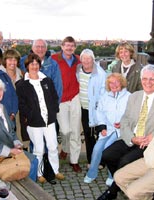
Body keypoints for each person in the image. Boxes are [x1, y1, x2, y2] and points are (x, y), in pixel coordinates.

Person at [97, 64, 154, 200]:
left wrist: (152, 136)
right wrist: (131, 138)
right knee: (107, 155)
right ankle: (126, 184)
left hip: (149, 142)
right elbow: (125, 120)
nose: (148, 82)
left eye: (152, 79)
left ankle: (112, 191)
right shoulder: (135, 96)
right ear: (141, 80)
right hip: (131, 138)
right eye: (145, 78)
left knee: (125, 161)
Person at [16, 53, 64, 183]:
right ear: (27, 66)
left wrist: (54, 111)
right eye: (31, 63)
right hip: (34, 122)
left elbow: (54, 97)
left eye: (37, 63)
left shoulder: (46, 80)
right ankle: (39, 173)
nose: (34, 66)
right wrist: (31, 115)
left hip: (49, 121)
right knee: (38, 148)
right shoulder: (21, 85)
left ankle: (55, 170)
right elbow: (21, 104)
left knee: (53, 146)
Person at [0, 76, 37, 181]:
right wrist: (9, 151)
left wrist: (16, 142)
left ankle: (28, 188)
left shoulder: (1, 107)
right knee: (32, 162)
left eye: (0, 90)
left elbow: (11, 130)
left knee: (34, 160)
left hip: (8, 150)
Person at [84, 73, 131, 184]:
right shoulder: (105, 97)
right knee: (96, 149)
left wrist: (122, 123)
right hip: (108, 129)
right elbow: (99, 113)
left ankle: (112, 175)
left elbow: (131, 115)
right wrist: (102, 127)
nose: (113, 85)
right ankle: (91, 173)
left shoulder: (129, 96)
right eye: (111, 83)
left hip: (121, 130)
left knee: (108, 148)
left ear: (121, 82)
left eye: (116, 82)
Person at [52, 36, 82, 173]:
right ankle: (65, 147)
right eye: (67, 45)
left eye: (72, 46)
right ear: (62, 46)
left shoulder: (78, 60)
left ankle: (74, 160)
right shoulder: (54, 59)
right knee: (65, 130)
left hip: (75, 97)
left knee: (75, 130)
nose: (69, 48)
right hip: (60, 99)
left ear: (74, 47)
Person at [76, 48, 106, 167]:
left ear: (93, 60)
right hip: (84, 108)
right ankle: (90, 160)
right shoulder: (78, 70)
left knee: (99, 136)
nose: (87, 61)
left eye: (89, 58)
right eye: (84, 58)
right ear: (81, 60)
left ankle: (101, 161)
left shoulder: (100, 73)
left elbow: (104, 92)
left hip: (97, 109)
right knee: (88, 135)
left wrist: (99, 108)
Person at [2, 49, 29, 149]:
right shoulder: (0, 75)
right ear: (5, 61)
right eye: (9, 59)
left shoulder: (22, 74)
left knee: (22, 133)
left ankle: (23, 154)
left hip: (20, 111)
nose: (12, 62)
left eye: (15, 60)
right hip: (7, 111)